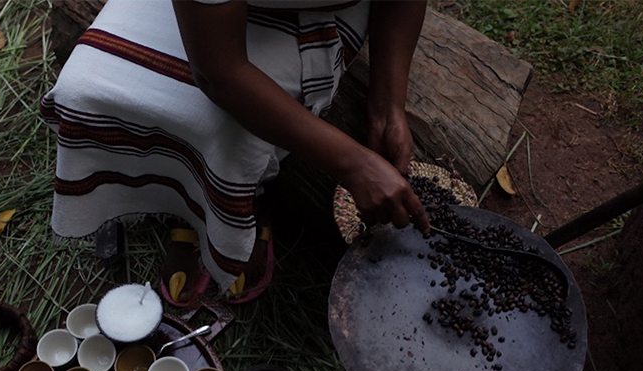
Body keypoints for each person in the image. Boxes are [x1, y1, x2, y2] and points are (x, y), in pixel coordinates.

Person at [41, 0, 430, 306]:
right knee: (85, 89)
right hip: (197, 18)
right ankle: (191, 202)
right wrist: (353, 163)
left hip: (315, 10)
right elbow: (217, 71)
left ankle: (234, 200)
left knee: (234, 132)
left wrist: (387, 105)